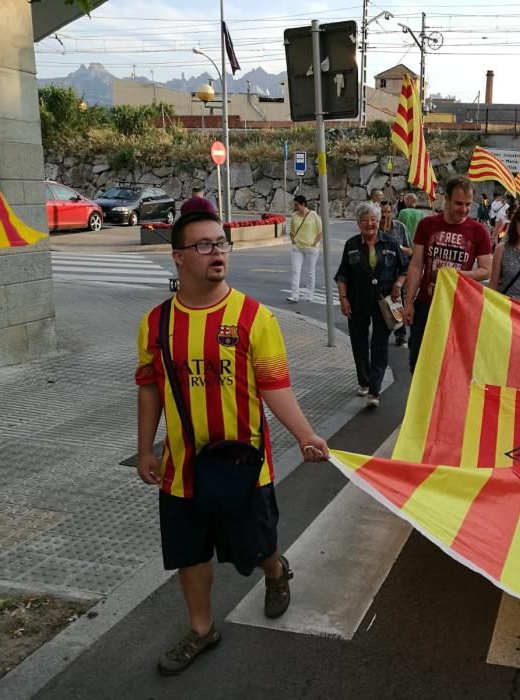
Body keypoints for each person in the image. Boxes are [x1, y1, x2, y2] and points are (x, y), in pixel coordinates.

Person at [135, 210, 330, 676]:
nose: (217, 251)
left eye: (221, 243)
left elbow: (274, 386)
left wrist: (306, 435)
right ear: (178, 257)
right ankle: (202, 630)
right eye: (203, 245)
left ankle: (276, 571)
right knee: (191, 553)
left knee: (254, 548)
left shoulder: (253, 318)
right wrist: (146, 449)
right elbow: (149, 388)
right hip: (182, 472)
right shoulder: (156, 325)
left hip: (245, 469)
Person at [403, 176, 493, 371]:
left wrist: (458, 275)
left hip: (459, 309)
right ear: (446, 199)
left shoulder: (479, 231)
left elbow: (486, 270)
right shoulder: (427, 225)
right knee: (419, 360)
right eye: (458, 203)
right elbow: (416, 265)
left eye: (468, 204)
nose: (463, 209)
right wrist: (409, 302)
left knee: (453, 365)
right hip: (426, 305)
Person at [336, 202, 408, 408]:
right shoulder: (351, 245)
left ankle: (374, 391)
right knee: (359, 344)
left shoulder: (391, 243)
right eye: (365, 220)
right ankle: (364, 381)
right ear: (358, 223)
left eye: (373, 220)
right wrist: (343, 298)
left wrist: (398, 284)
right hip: (357, 301)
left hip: (384, 302)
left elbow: (405, 268)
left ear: (379, 222)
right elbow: (342, 275)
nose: (370, 224)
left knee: (379, 344)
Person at [379, 200, 413, 347]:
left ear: (393, 212)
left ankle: (401, 333)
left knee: (399, 302)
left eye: (388, 212)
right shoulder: (375, 227)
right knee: (382, 303)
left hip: (399, 271)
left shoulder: (400, 227)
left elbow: (410, 250)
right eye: (382, 213)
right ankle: (382, 333)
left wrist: (396, 246)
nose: (385, 215)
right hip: (381, 272)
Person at [285, 194, 323, 303]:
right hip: (297, 248)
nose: (295, 207)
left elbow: (321, 231)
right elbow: (291, 231)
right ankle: (294, 295)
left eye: (297, 205)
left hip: (311, 248)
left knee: (310, 272)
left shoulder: (313, 215)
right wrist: (293, 241)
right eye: (294, 204)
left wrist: (314, 243)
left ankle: (310, 295)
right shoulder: (294, 216)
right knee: (295, 271)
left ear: (303, 204)